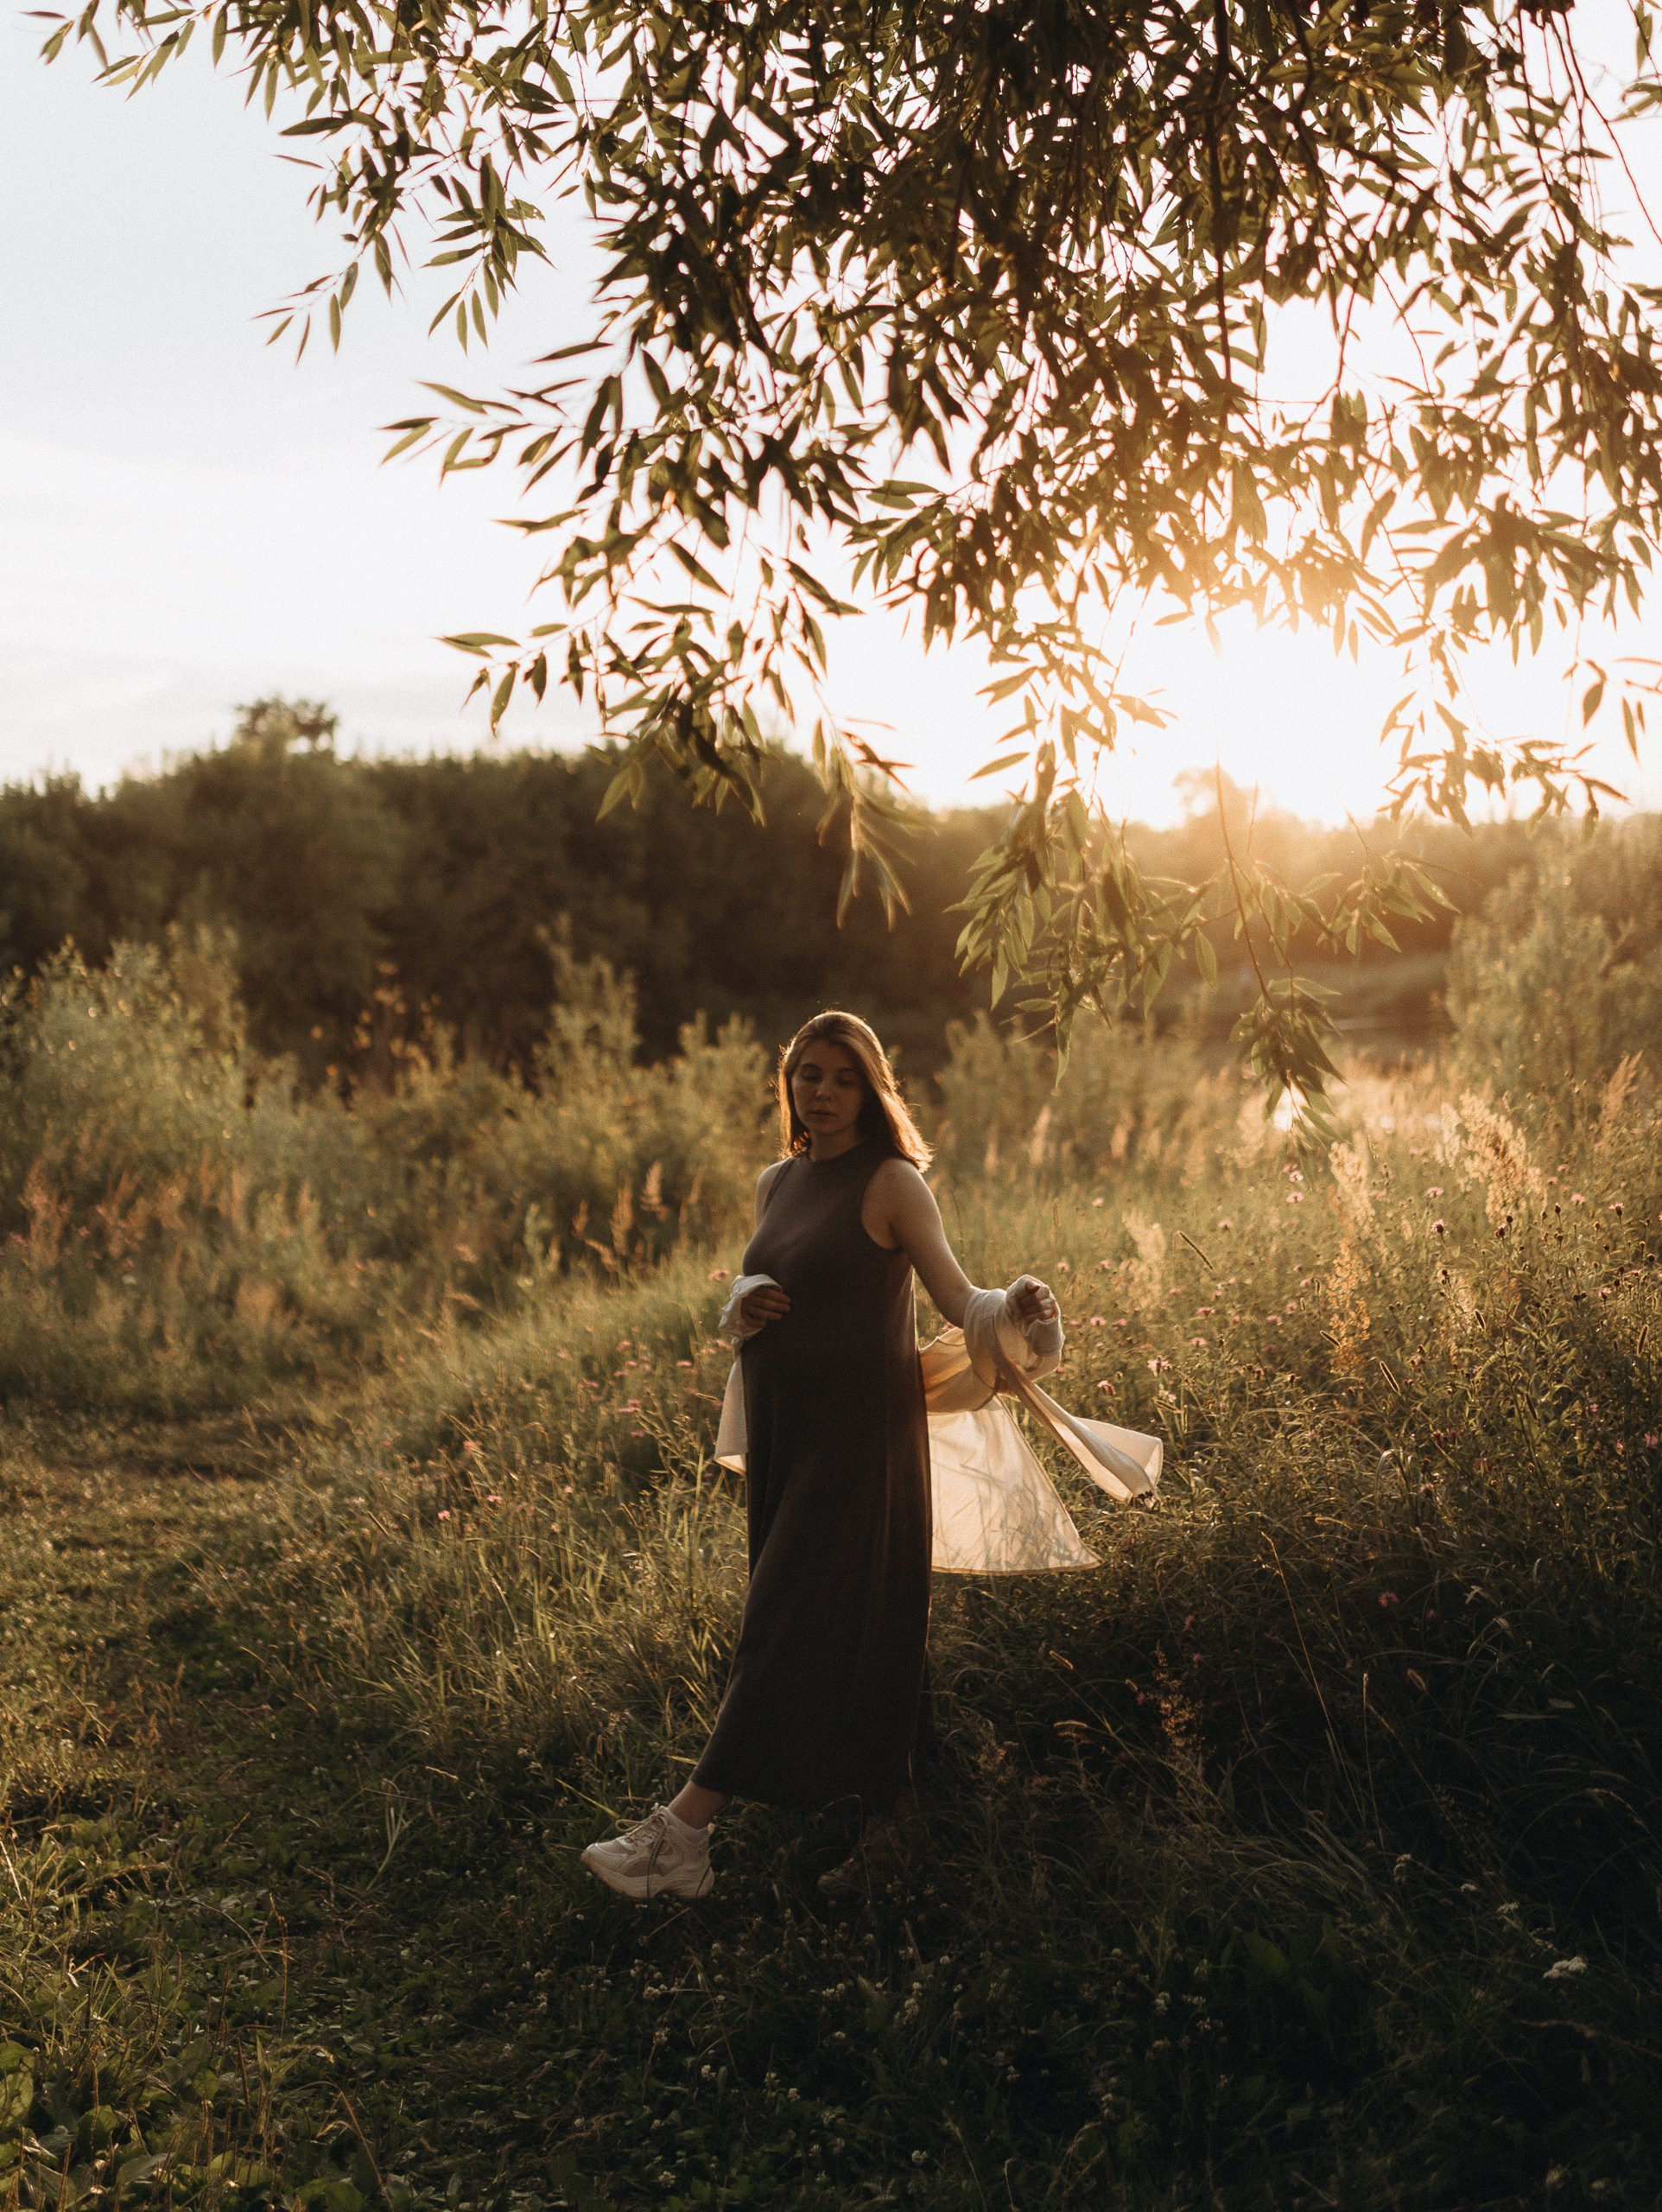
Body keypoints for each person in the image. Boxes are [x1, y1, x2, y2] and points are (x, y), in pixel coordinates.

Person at [580, 1009, 1058, 1904]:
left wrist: (1020, 1308)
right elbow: (776, 1279)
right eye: (809, 1074)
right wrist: (744, 1300)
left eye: (843, 1075)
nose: (824, 1091)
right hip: (786, 1438)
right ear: (788, 1083)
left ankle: (681, 1835)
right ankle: (900, 1829)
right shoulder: (776, 1180)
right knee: (871, 1628)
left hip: (857, 1443)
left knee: (780, 1625)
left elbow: (957, 1298)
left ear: (871, 1086)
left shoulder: (892, 1183)